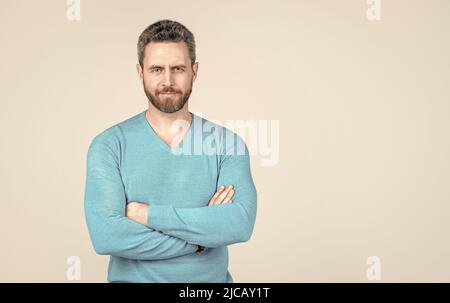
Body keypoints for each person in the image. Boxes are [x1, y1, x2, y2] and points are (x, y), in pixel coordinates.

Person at [84, 19, 257, 283]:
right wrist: (200, 241)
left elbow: (239, 224)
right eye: (156, 69)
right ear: (140, 72)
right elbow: (107, 236)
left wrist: (148, 215)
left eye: (177, 68)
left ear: (194, 72)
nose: (167, 81)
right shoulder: (109, 145)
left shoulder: (227, 145)